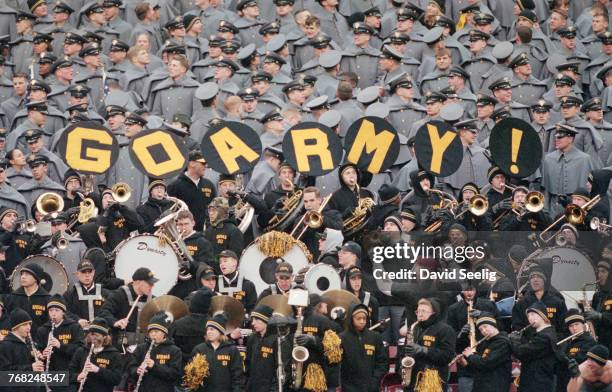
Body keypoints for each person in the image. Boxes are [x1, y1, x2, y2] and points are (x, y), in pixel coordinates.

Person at [400, 297, 456, 392]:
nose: (420, 314)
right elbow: (404, 352)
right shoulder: (414, 328)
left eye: (424, 311)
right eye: (418, 311)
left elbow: (447, 356)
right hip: (412, 379)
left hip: (432, 380)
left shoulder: (446, 330)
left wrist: (423, 350)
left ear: (434, 313)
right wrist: (402, 367)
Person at [510, 302, 563, 392]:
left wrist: (514, 341)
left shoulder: (545, 336)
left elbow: (522, 352)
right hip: (534, 382)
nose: (530, 318)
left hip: (538, 383)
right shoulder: (542, 334)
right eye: (528, 316)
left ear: (542, 315)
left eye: (533, 315)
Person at [98, 267, 157, 348]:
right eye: (149, 283)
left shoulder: (153, 300)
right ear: (138, 282)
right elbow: (103, 312)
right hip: (120, 346)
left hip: (143, 347)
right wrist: (115, 322)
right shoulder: (119, 295)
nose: (152, 286)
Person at [36, 293, 84, 388]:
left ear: (63, 312)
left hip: (68, 375)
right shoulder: (42, 329)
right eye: (50, 310)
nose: (53, 313)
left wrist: (60, 345)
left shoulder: (74, 327)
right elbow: (37, 350)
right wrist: (42, 354)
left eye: (57, 310)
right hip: (49, 376)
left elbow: (80, 351)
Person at [185, 313, 243, 392]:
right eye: (207, 329)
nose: (208, 332)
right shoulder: (199, 349)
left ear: (220, 331)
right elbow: (190, 376)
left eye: (212, 329)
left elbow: (237, 377)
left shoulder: (232, 350)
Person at [127, 312, 182, 392]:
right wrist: (136, 371)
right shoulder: (141, 348)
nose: (153, 334)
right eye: (151, 332)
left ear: (164, 333)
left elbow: (174, 374)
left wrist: (154, 366)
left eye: (156, 331)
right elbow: (130, 367)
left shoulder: (174, 351)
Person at [340, 303, 387, 392]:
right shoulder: (342, 338)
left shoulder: (375, 337)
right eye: (358, 318)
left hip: (371, 387)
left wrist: (375, 380)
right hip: (349, 387)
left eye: (364, 318)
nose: (362, 321)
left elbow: (382, 361)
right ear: (351, 319)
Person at [460, 312, 512, 391]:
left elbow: (486, 363)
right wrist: (466, 364)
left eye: (485, 327)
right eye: (481, 329)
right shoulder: (485, 342)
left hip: (495, 387)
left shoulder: (502, 342)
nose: (484, 331)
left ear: (493, 325)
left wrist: (470, 356)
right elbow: (479, 367)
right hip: (482, 386)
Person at [68, 317, 123, 392]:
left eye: (96, 335)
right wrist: (77, 377)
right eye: (91, 334)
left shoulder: (114, 354)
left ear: (104, 336)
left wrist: (98, 370)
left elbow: (117, 379)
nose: (93, 338)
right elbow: (70, 372)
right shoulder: (81, 351)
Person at [168, 150, 216, 231]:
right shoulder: (175, 186)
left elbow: (214, 208)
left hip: (205, 234)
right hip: (183, 234)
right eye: (203, 163)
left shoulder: (209, 185)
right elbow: (169, 212)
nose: (206, 166)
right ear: (192, 163)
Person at [63, 259, 109, 329]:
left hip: (100, 333)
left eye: (89, 271)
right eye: (83, 272)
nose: (87, 275)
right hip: (78, 332)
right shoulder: (69, 294)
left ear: (93, 272)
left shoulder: (105, 293)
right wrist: (77, 320)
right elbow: (64, 312)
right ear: (77, 274)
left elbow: (110, 312)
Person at [4, 263, 50, 331]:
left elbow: (49, 323)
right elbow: (6, 320)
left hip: (39, 340)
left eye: (27, 274)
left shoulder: (47, 299)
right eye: (22, 274)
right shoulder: (13, 297)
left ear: (36, 278)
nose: (23, 277)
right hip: (16, 340)